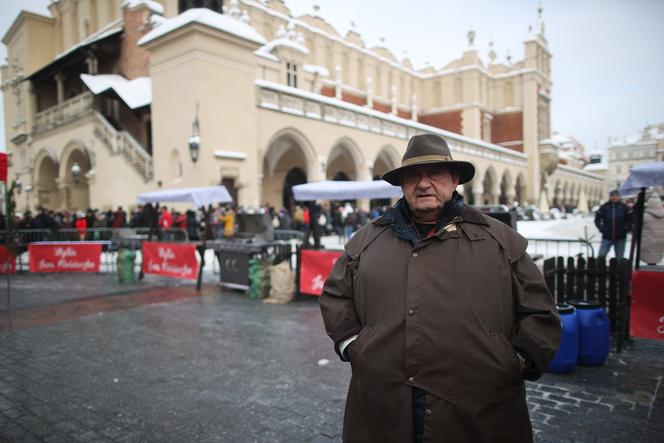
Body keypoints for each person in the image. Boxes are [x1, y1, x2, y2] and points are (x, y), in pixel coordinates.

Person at [320, 134, 561, 442]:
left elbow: (540, 313)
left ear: (454, 179)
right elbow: (335, 295)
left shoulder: (499, 240)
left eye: (434, 173)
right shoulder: (367, 241)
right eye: (413, 176)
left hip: (478, 409)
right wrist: (354, 344)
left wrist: (515, 359)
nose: (423, 184)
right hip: (385, 403)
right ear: (403, 184)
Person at [595, 190, 633, 259]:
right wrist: (601, 228)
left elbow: (631, 218)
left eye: (616, 196)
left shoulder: (624, 207)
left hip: (620, 237)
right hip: (607, 236)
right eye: (613, 196)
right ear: (610, 197)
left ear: (619, 197)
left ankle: (618, 269)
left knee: (619, 258)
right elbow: (597, 219)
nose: (614, 198)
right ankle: (601, 269)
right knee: (601, 256)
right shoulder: (604, 207)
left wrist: (626, 227)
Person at [641, 192, 664, 265]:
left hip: (648, 241)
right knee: (656, 257)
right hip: (660, 241)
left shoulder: (645, 216)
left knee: (649, 259)